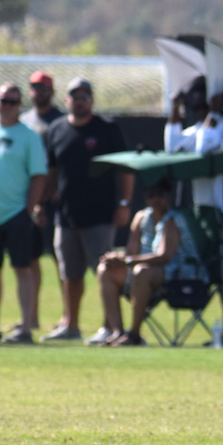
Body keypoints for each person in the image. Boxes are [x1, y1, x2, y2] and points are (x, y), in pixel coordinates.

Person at [40, 78, 131, 342]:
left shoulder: (107, 129)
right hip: (66, 215)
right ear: (66, 99)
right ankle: (71, 325)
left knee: (103, 271)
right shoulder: (56, 129)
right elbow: (52, 171)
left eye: (85, 96)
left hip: (100, 215)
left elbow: (124, 168)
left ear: (91, 100)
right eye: (74, 96)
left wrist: (124, 203)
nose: (79, 101)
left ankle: (108, 326)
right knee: (69, 274)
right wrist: (41, 203)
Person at [164, 78, 223, 347]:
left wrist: (213, 115)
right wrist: (173, 109)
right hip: (211, 208)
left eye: (204, 105)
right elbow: (173, 147)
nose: (198, 111)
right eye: (195, 106)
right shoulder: (201, 128)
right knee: (217, 269)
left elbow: (204, 149)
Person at [90, 178, 208, 347]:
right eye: (151, 194)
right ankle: (117, 332)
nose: (155, 199)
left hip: (178, 273)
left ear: (168, 197)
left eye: (160, 194)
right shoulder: (141, 217)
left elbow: (165, 256)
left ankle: (135, 334)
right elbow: (131, 251)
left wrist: (127, 261)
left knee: (141, 272)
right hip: (142, 268)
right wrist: (116, 259)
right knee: (104, 270)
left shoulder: (172, 220)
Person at [0, 83, 47, 344]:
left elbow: (39, 176)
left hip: (17, 212)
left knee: (22, 268)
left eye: (13, 102)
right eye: (4, 100)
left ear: (20, 105)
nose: (8, 106)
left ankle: (25, 326)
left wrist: (27, 210)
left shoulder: (29, 135)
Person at [20, 70, 66, 333]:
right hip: (27, 199)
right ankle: (32, 317)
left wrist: (46, 197)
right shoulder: (24, 119)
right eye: (35, 87)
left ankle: (66, 315)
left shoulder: (59, 121)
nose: (39, 92)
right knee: (29, 258)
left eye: (44, 87)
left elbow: (56, 164)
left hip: (51, 201)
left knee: (60, 258)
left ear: (52, 91)